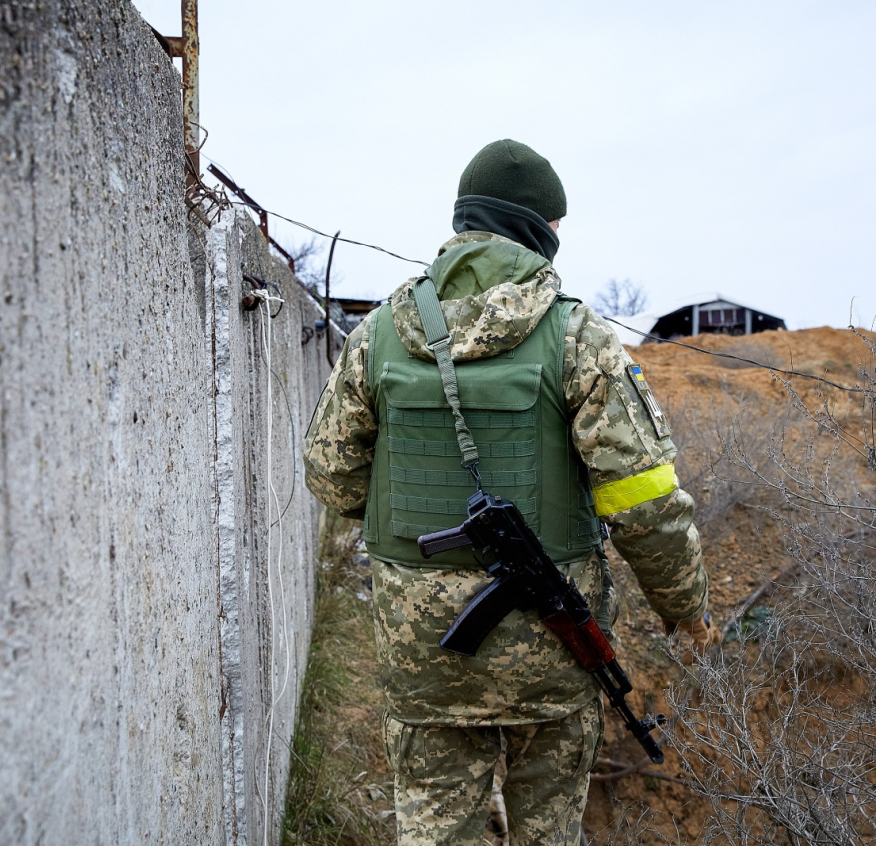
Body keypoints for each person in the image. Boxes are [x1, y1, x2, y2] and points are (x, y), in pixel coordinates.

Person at [304, 139, 716, 846]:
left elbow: (329, 474)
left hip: (421, 648)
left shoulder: (379, 332)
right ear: (539, 227)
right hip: (550, 650)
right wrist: (685, 609)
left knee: (434, 828)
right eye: (556, 225)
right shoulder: (577, 335)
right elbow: (645, 503)